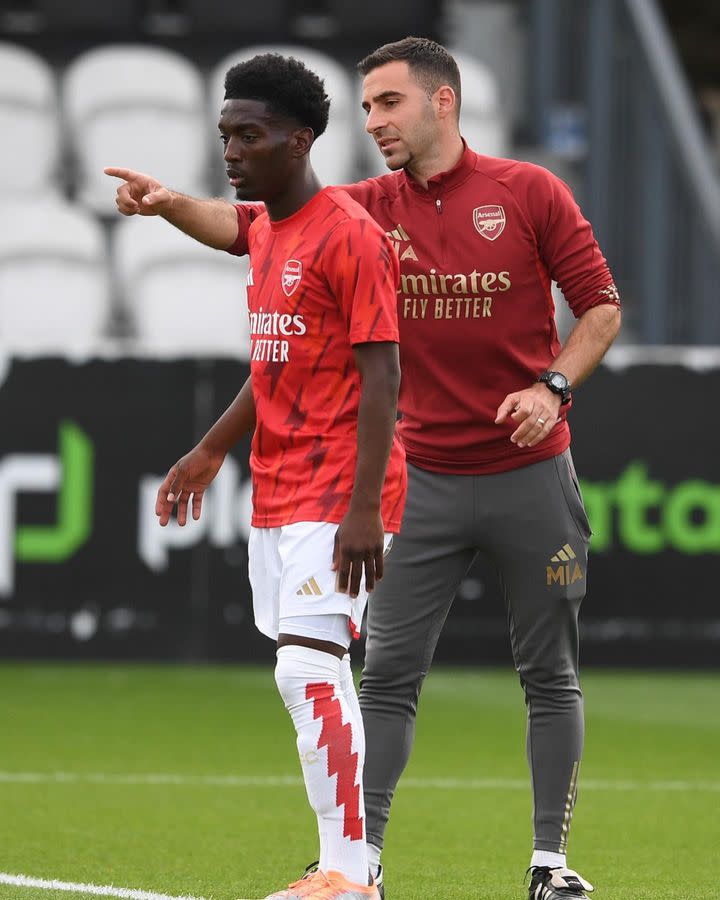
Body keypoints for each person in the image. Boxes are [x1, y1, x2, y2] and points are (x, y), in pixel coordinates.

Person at [107, 37, 621, 900]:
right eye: (368, 105)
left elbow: (600, 307)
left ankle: (550, 863)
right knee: (381, 676)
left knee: (549, 673)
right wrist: (166, 205)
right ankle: (359, 861)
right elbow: (248, 225)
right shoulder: (365, 207)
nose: (373, 120)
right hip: (416, 477)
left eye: (387, 103)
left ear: (442, 102)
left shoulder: (529, 192)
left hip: (530, 469)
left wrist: (554, 388)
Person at [107, 53, 406, 900]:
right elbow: (262, 317)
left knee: (309, 669)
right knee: (306, 670)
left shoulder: (349, 234)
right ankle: (341, 868)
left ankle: (350, 875)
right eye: (225, 135)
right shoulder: (275, 227)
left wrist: (362, 511)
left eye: (251, 135)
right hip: (279, 485)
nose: (233, 150)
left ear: (299, 138)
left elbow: (383, 378)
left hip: (339, 487)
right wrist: (210, 449)